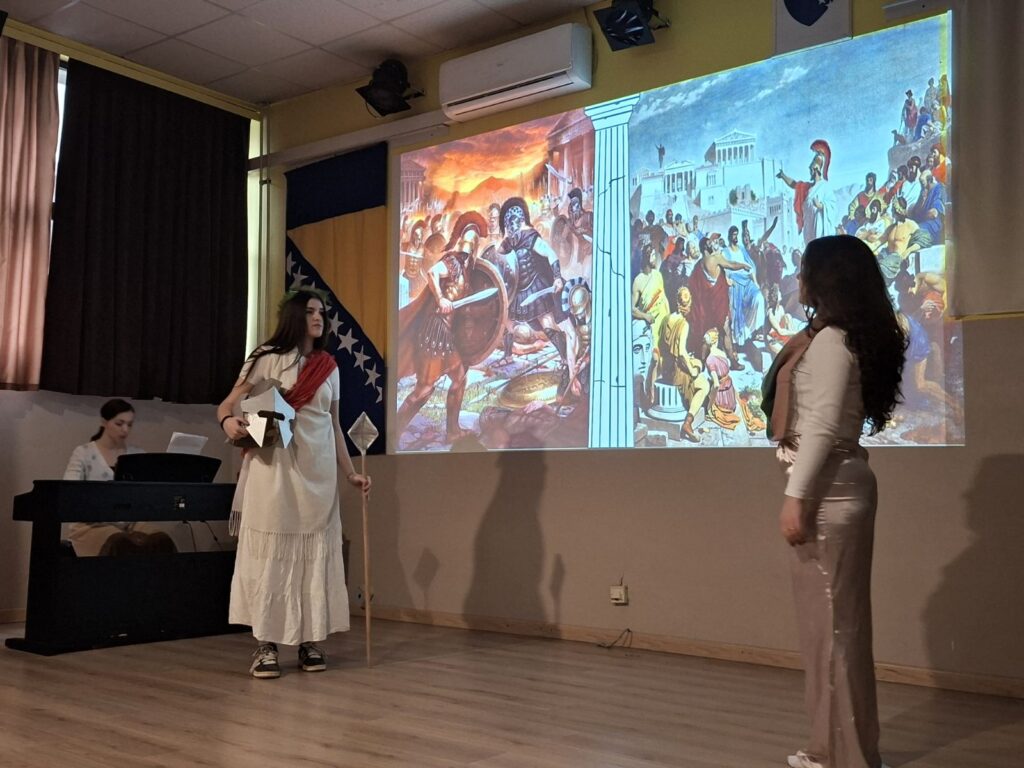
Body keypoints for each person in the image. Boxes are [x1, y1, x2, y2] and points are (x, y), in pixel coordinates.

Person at [761, 235, 904, 768]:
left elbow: (820, 428)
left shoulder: (830, 344)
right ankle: (842, 749)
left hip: (829, 491)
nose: (798, 279)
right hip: (839, 485)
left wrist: (795, 497)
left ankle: (840, 757)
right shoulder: (838, 339)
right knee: (835, 628)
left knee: (832, 631)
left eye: (805, 270)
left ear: (824, 280)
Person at [217, 290, 371, 679]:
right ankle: (265, 645)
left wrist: (350, 472)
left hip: (318, 475)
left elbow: (334, 424)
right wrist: (228, 422)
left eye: (322, 312)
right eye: (310, 311)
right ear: (293, 315)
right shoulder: (265, 357)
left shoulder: (329, 367)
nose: (318, 317)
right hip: (274, 471)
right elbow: (227, 405)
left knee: (312, 558)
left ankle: (310, 641)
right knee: (271, 557)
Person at [63, 399, 177, 556]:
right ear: (104, 422)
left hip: (131, 522)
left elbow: (149, 490)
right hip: (91, 524)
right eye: (119, 424)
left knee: (161, 540)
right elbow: (69, 490)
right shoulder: (84, 453)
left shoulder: (137, 455)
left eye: (129, 425)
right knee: (119, 543)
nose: (125, 429)